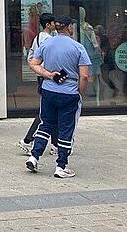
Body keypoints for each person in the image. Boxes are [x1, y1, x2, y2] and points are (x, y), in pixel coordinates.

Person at [25, 14, 90, 179]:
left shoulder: (47, 44)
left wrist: (48, 74)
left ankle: (34, 156)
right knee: (66, 129)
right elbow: (84, 76)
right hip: (69, 92)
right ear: (69, 27)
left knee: (45, 124)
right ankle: (61, 166)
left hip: (48, 90)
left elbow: (33, 63)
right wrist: (79, 92)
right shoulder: (78, 47)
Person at [18, 13, 59, 155]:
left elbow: (31, 58)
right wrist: (47, 71)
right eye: (53, 22)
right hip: (49, 77)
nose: (55, 25)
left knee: (52, 111)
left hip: (42, 77)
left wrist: (38, 69)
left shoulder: (37, 38)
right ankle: (27, 140)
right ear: (48, 24)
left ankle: (55, 145)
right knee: (46, 112)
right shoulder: (49, 40)